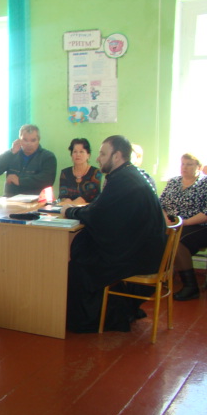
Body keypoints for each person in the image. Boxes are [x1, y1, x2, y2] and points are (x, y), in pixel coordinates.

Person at [61, 135, 167, 333]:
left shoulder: (123, 180)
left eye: (103, 154)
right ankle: (117, 309)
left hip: (139, 257)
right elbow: (104, 211)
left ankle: (93, 319)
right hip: (146, 250)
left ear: (117, 156)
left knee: (80, 262)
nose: (98, 158)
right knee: (84, 248)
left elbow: (97, 214)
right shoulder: (129, 174)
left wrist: (69, 211)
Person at [159, 153, 207, 301]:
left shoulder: (204, 184)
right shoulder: (173, 182)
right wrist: (166, 220)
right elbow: (160, 204)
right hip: (172, 223)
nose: (184, 167)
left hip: (198, 225)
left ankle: (191, 286)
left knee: (176, 241)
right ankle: (160, 276)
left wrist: (184, 222)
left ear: (198, 167)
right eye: (183, 164)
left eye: (189, 164)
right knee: (152, 236)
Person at [0, 124, 57, 197]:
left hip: (36, 199)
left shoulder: (48, 157)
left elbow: (47, 180)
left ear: (38, 140)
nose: (29, 144)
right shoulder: (12, 154)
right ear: (19, 140)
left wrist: (20, 181)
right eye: (25, 140)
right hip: (11, 199)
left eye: (33, 140)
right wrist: (11, 152)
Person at [58, 138, 102, 204]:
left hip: (90, 208)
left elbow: (90, 195)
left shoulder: (96, 172)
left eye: (81, 151)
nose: (78, 154)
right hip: (67, 207)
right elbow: (62, 195)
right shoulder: (65, 173)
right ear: (71, 155)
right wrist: (66, 201)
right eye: (75, 152)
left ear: (88, 155)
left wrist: (72, 205)